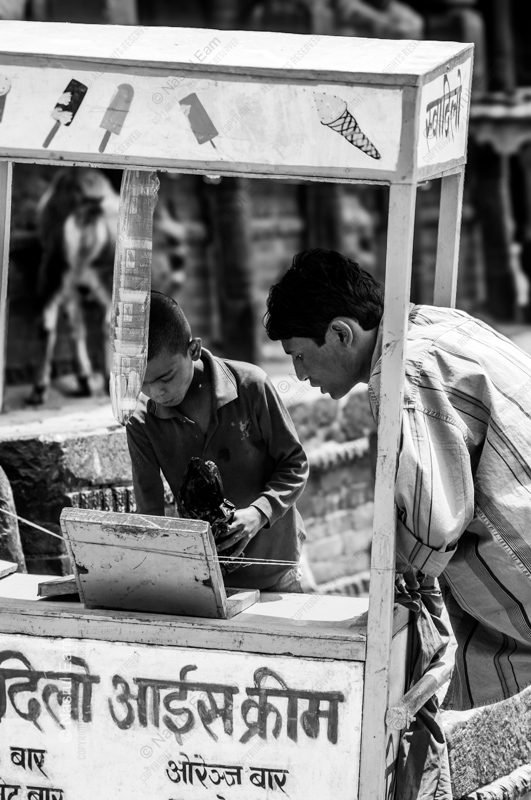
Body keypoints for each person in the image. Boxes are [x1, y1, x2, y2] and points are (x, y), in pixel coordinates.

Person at [265, 248, 531, 712]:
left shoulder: (400, 375)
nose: (299, 374)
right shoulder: (436, 323)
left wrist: (383, 588)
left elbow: (432, 523)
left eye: (300, 356)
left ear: (341, 333)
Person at [127, 291, 308, 592]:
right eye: (142, 382)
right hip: (207, 582)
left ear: (194, 350)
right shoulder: (142, 422)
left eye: (165, 378)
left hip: (277, 569)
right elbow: (150, 513)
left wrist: (259, 512)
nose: (156, 392)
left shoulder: (251, 386)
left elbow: (295, 464)